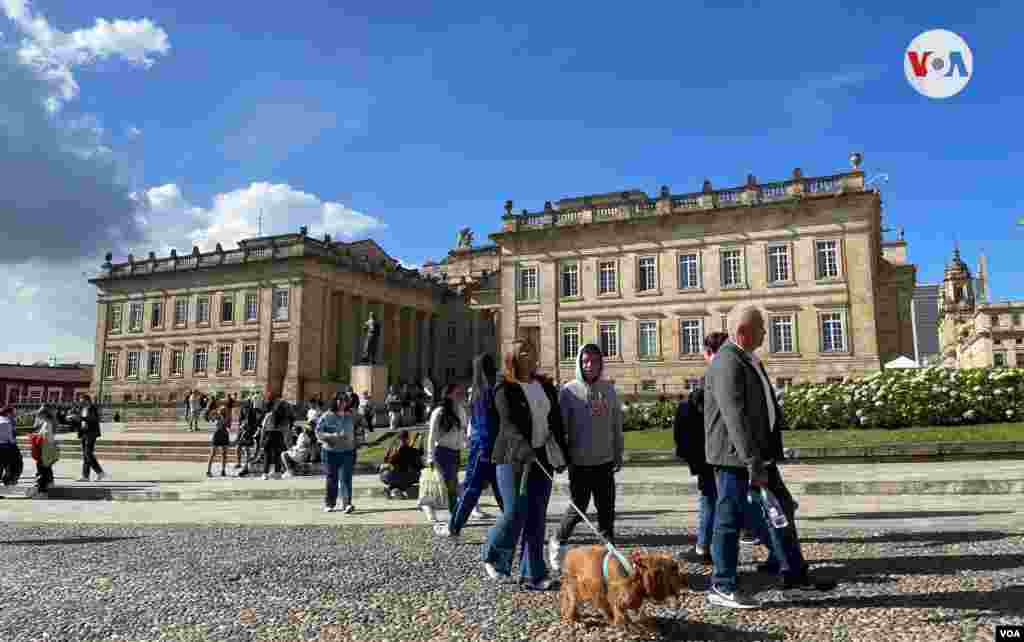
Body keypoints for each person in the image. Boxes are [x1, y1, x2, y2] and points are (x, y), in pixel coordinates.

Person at [703, 307, 836, 610]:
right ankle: (722, 585)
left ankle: (795, 576)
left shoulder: (745, 358)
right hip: (736, 458)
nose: (765, 333)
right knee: (729, 519)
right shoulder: (727, 361)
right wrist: (753, 462)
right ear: (743, 332)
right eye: (761, 328)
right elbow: (734, 415)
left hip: (757, 456)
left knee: (782, 509)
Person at [482, 338, 568, 591]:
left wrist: (561, 454)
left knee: (537, 516)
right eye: (522, 351)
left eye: (532, 349)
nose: (528, 354)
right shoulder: (504, 387)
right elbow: (508, 425)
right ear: (512, 356)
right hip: (512, 457)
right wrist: (524, 448)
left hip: (541, 457)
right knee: (515, 512)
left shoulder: (544, 386)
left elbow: (556, 421)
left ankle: (534, 574)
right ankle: (492, 552)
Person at [548, 343, 624, 570]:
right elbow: (561, 428)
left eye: (594, 361)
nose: (589, 365)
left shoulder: (608, 390)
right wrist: (562, 457)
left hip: (604, 460)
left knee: (606, 510)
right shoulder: (569, 391)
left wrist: (618, 453)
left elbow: (615, 424)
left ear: (601, 363)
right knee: (578, 508)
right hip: (580, 462)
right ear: (580, 364)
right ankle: (558, 541)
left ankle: (609, 557)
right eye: (585, 361)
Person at [673, 332, 729, 564]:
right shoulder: (726, 375)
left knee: (715, 500)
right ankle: (706, 547)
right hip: (718, 453)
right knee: (716, 499)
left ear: (706, 353)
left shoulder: (712, 378)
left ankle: (706, 548)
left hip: (714, 453)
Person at [436, 354, 505, 537]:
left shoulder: (481, 392)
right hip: (496, 448)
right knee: (500, 491)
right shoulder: (497, 388)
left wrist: (482, 448)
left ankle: (453, 527)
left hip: (483, 448)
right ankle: (517, 523)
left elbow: (483, 427)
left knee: (470, 490)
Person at [422, 383, 468, 523]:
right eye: (457, 392)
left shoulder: (460, 410)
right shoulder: (439, 412)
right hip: (442, 452)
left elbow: (463, 431)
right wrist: (430, 457)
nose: (460, 394)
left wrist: (466, 444)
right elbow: (432, 436)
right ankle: (454, 516)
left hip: (455, 452)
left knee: (451, 485)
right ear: (448, 395)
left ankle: (452, 514)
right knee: (446, 485)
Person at [316, 396, 358, 513]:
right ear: (335, 402)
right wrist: (332, 436)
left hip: (347, 451)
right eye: (339, 400)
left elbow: (358, 429)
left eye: (344, 401)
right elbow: (318, 432)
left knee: (346, 478)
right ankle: (330, 504)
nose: (342, 403)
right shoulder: (327, 416)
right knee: (332, 478)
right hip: (330, 452)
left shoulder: (350, 416)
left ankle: (347, 504)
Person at [380, 430, 422, 498]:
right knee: (418, 473)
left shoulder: (396, 450)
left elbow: (386, 460)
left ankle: (392, 489)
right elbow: (418, 452)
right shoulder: (411, 450)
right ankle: (399, 490)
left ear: (400, 439)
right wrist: (419, 440)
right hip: (406, 477)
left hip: (394, 477)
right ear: (407, 438)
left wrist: (391, 446)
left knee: (385, 471)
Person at [29, 405, 59, 497]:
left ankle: (42, 491)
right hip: (48, 447)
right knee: (45, 468)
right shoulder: (48, 422)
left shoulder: (47, 423)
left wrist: (37, 436)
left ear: (44, 414)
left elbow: (45, 436)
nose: (38, 416)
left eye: (39, 414)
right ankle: (48, 484)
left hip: (45, 448)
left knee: (42, 469)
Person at [77, 397, 107, 482]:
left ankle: (100, 472)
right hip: (83, 432)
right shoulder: (82, 409)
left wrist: (81, 418)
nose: (80, 403)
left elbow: (93, 419)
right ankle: (85, 476)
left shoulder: (93, 408)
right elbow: (81, 420)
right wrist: (73, 419)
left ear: (87, 401)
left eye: (82, 401)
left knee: (88, 453)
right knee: (85, 455)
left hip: (91, 433)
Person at [260, 400, 290, 480]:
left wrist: (261, 439)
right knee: (277, 456)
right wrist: (287, 443)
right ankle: (277, 473)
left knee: (267, 456)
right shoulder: (284, 418)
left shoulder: (269, 415)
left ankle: (265, 474)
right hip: (279, 436)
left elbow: (263, 429)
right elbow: (286, 431)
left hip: (269, 435)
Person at [0, 406, 23, 487]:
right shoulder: (6, 422)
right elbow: (10, 438)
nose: (14, 414)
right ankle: (9, 480)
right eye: (13, 413)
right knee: (13, 464)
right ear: (8, 413)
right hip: (5, 447)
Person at [236, 400, 260, 475]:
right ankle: (240, 463)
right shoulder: (245, 409)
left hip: (249, 431)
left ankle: (246, 465)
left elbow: (254, 422)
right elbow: (241, 420)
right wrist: (241, 427)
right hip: (245, 430)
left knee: (246, 448)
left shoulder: (253, 411)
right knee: (240, 447)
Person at [207, 406, 231, 477]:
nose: (223, 411)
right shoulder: (217, 416)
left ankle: (223, 470)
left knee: (224, 454)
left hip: (224, 435)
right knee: (213, 453)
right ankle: (208, 471)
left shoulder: (227, 417)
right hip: (217, 435)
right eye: (222, 410)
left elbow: (228, 426)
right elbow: (212, 420)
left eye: (224, 410)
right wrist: (215, 414)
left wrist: (227, 419)